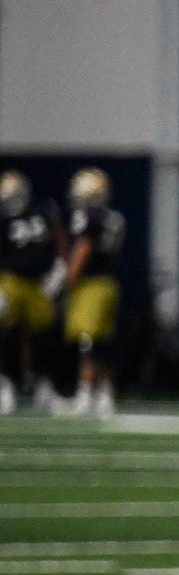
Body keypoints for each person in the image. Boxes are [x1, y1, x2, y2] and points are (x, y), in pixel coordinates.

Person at [57, 168, 127, 418]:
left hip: (91, 285)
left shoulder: (88, 216)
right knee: (105, 342)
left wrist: (68, 279)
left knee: (89, 342)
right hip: (110, 283)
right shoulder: (114, 217)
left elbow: (83, 249)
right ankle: (106, 396)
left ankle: (86, 395)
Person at [0, 170, 59, 414]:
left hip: (36, 282)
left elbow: (57, 244)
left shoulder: (43, 213)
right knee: (8, 336)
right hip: (11, 280)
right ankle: (7, 386)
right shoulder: (3, 218)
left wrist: (56, 274)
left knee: (43, 336)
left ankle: (43, 386)